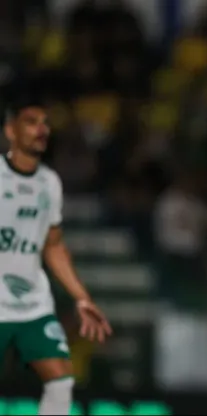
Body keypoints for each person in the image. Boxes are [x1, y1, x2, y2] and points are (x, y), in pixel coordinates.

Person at [0, 98, 112, 414]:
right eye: (31, 122)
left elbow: (53, 245)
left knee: (61, 382)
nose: (41, 129)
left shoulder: (49, 183)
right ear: (10, 130)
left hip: (32, 304)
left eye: (44, 123)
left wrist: (82, 298)